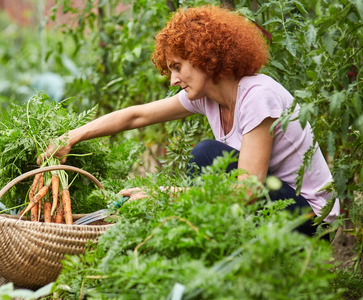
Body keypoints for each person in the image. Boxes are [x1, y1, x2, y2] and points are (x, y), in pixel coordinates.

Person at [38, 5, 339, 236]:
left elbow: (248, 191)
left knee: (206, 155)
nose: (173, 79)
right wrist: (72, 137)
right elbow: (136, 115)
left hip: (312, 220)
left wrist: (162, 196)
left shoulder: (258, 96)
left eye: (178, 67)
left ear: (205, 55)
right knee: (209, 158)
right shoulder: (208, 97)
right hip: (276, 206)